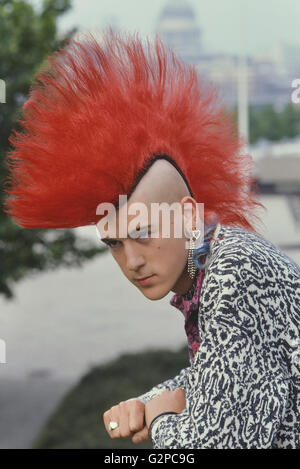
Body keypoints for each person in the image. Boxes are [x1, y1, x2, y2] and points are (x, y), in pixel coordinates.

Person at [3, 28, 300, 449]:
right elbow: (220, 378)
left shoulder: (234, 273)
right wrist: (146, 403)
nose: (132, 261)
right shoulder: (212, 262)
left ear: (186, 214)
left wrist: (159, 423)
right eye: (114, 243)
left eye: (142, 233)